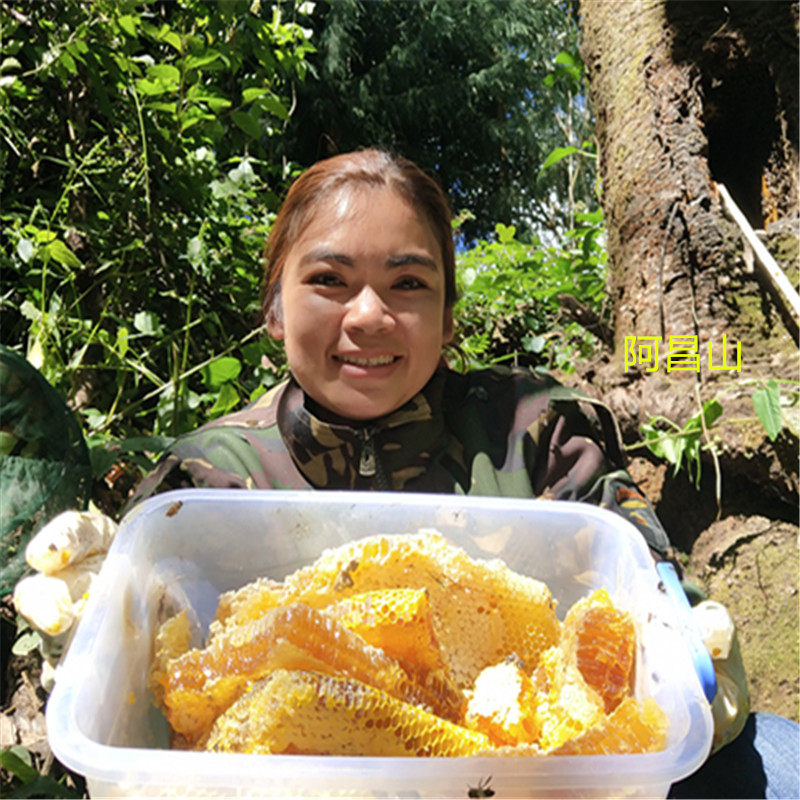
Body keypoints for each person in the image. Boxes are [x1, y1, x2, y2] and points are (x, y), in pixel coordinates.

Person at [17, 149, 799, 797]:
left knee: (779, 759)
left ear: (449, 315)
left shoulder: (537, 433)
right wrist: (94, 642)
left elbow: (638, 579)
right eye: (328, 281)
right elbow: (144, 722)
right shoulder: (205, 479)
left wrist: (684, 638)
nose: (367, 315)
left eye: (408, 284)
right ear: (276, 311)